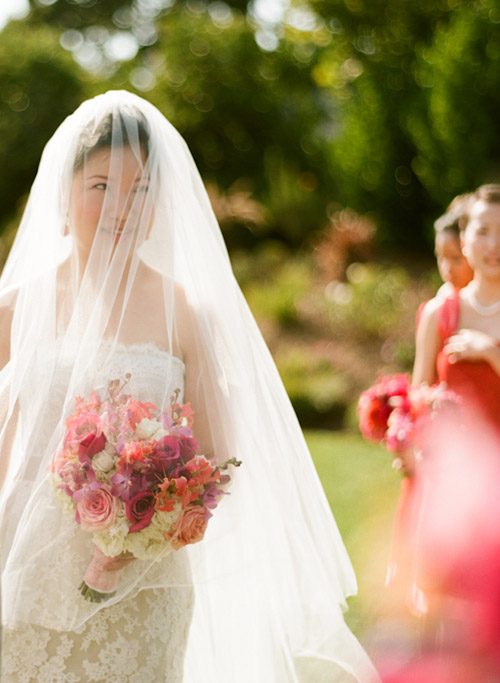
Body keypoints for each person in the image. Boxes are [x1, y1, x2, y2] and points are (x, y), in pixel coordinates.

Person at [0, 91, 379, 682]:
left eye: (141, 189)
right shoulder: (14, 311)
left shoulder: (186, 311)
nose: (122, 206)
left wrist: (152, 517)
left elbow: (218, 453)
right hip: (27, 574)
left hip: (145, 585)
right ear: (63, 194)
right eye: (101, 185)